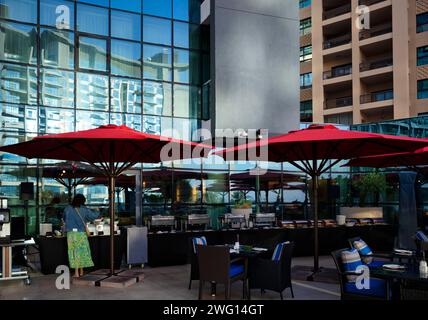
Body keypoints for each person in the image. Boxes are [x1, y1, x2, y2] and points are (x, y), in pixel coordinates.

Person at [63, 194, 100, 278]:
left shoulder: (67, 209)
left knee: (74, 253)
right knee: (82, 252)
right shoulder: (84, 209)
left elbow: (64, 219)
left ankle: (77, 273)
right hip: (81, 234)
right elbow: (92, 216)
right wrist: (97, 211)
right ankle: (81, 271)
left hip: (71, 235)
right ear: (83, 201)